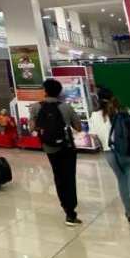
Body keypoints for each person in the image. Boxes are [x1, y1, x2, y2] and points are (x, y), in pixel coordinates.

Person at [98, 87, 130, 239]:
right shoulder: (125, 111)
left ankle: (129, 213)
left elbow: (95, 137)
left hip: (111, 154)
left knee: (121, 180)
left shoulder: (95, 115)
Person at [31, 78, 83, 226]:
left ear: (45, 91)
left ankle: (65, 208)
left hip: (49, 148)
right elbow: (78, 127)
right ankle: (71, 212)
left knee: (58, 176)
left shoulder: (35, 107)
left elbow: (32, 128)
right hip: (67, 147)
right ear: (59, 92)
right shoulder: (66, 107)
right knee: (69, 177)